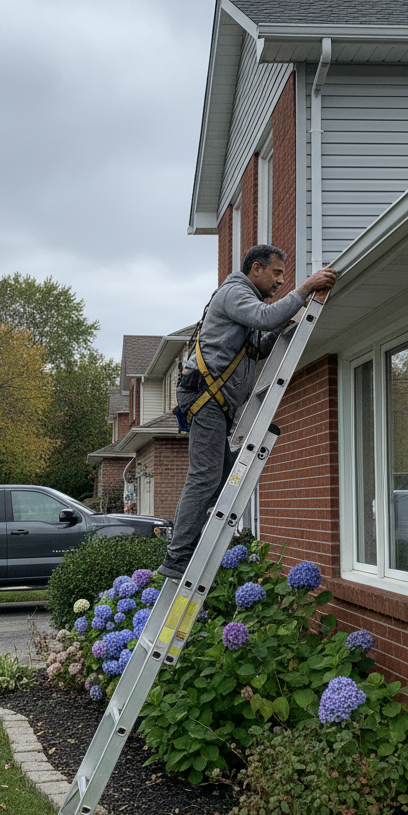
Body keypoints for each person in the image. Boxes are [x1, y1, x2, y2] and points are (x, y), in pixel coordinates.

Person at [158, 244, 338, 580]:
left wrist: (291, 322)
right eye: (277, 273)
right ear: (256, 269)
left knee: (221, 478)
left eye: (284, 276)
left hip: (217, 404)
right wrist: (305, 289)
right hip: (206, 400)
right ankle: (178, 556)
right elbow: (265, 317)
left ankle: (187, 544)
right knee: (204, 477)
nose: (281, 282)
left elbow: (257, 346)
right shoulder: (234, 293)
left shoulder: (247, 304)